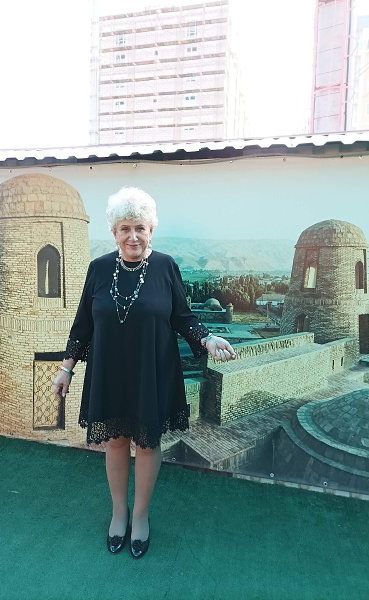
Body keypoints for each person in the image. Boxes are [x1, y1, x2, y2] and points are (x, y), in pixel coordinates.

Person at [53, 187, 236, 558]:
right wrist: (66, 369)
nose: (132, 236)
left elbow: (182, 317)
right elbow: (83, 324)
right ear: (114, 232)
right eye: (125, 228)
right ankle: (118, 513)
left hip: (151, 370)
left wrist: (207, 338)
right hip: (110, 370)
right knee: (116, 442)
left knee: (148, 443)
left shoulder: (166, 266)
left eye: (140, 227)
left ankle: (140, 516)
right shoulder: (98, 268)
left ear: (151, 229)